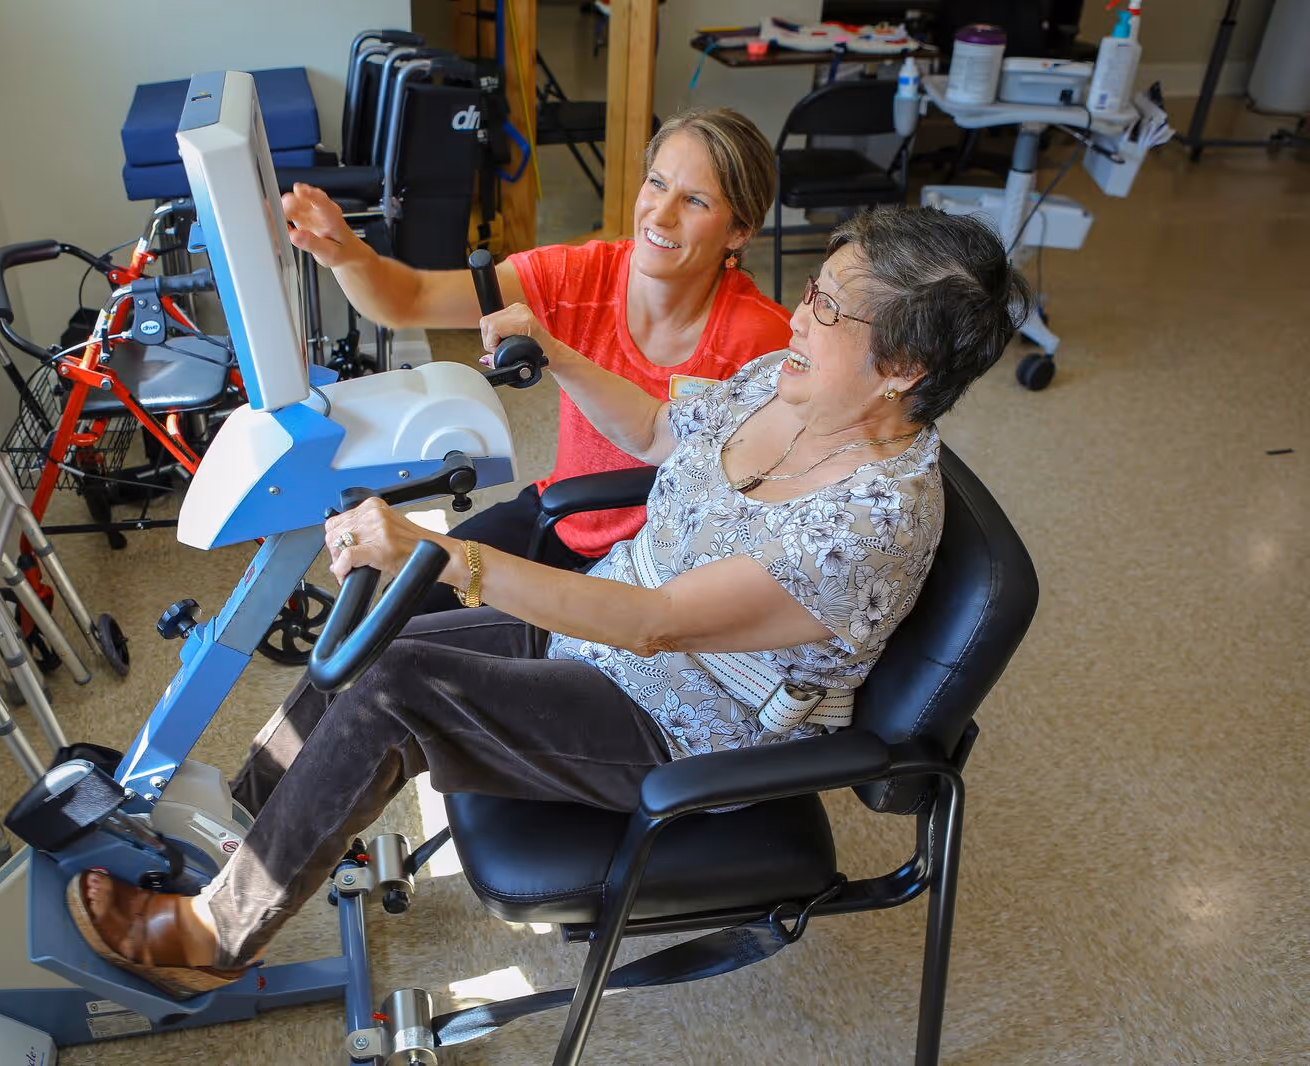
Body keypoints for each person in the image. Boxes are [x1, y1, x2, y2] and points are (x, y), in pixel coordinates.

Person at [67, 206, 1030, 996]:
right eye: (813, 290)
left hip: (685, 723)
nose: (797, 318)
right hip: (609, 626)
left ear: (904, 370)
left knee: (399, 682)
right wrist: (560, 353)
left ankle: (215, 940)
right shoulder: (787, 386)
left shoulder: (868, 524)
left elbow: (653, 629)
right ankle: (242, 837)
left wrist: (442, 551)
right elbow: (661, 427)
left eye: (827, 310)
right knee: (378, 628)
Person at [280, 108, 792, 613]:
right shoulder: (579, 277)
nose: (660, 214)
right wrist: (346, 254)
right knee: (404, 609)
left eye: (695, 201)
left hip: (658, 565)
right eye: (656, 184)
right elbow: (409, 298)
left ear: (738, 232)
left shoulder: (762, 338)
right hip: (561, 515)